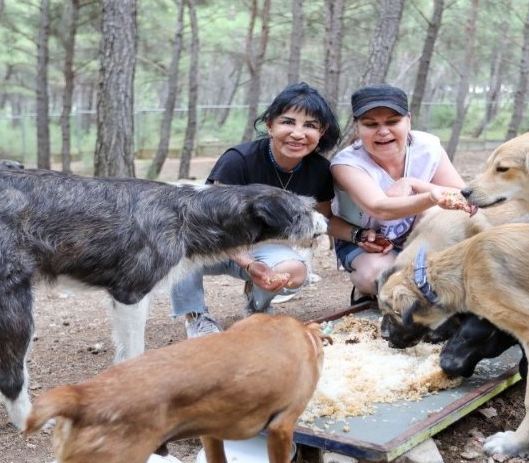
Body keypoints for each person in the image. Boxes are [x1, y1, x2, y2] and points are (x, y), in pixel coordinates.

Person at [171, 82, 344, 337]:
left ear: (322, 132)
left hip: (263, 245)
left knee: (295, 270)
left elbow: (324, 219)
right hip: (212, 243)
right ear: (269, 124)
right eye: (288, 122)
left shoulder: (319, 170)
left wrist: (361, 236)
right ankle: (196, 316)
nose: (298, 133)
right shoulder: (238, 161)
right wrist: (250, 265)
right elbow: (214, 225)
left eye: (310, 125)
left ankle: (257, 308)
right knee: (177, 244)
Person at [330, 83, 471, 303]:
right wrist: (430, 196)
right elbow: (380, 208)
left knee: (436, 213)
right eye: (370, 124)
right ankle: (368, 290)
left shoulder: (428, 147)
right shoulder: (346, 164)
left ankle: (423, 276)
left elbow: (461, 195)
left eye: (393, 122)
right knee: (377, 277)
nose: (383, 131)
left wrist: (413, 183)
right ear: (357, 128)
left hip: (417, 236)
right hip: (367, 241)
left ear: (409, 120)